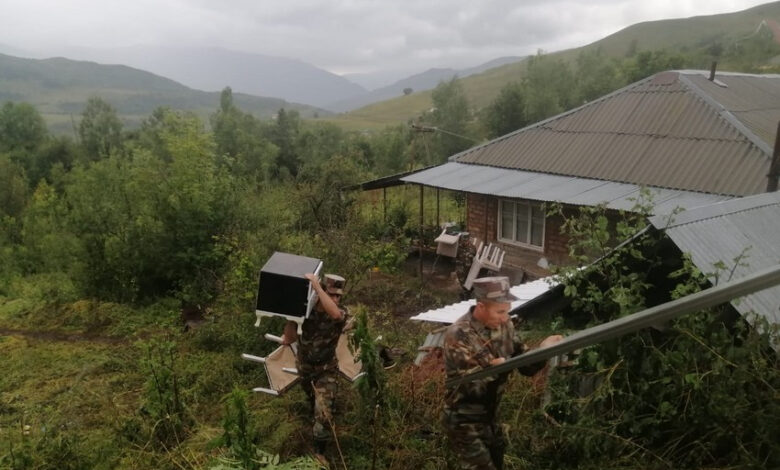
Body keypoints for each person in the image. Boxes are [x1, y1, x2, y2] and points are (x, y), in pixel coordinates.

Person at [442, 276, 563, 470]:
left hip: (491, 419)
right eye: (499, 312)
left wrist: (542, 350)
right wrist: (495, 370)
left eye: (507, 311)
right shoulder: (458, 335)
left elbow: (525, 366)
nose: (505, 317)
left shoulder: (505, 326)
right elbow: (470, 387)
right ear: (481, 307)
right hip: (464, 421)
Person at [281, 273, 348, 466]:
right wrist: (291, 318)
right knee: (313, 405)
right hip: (305, 369)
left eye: (338, 296)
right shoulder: (306, 312)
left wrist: (318, 288)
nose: (335, 299)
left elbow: (335, 314)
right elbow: (289, 339)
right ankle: (315, 422)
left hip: (326, 371)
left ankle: (320, 453)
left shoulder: (341, 313)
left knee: (324, 413)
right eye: (332, 294)